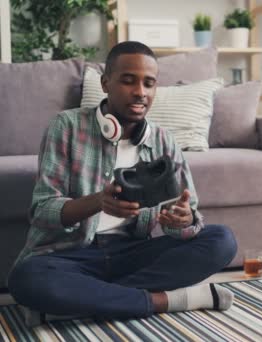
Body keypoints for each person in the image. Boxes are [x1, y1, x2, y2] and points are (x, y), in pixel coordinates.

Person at [7, 41, 238, 325]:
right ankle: (165, 300)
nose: (140, 92)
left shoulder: (163, 141)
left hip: (130, 252)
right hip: (71, 255)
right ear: (106, 83)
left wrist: (183, 219)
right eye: (128, 81)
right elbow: (43, 210)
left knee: (221, 240)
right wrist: (98, 202)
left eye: (149, 83)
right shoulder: (65, 127)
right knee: (26, 279)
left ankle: (82, 302)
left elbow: (187, 219)